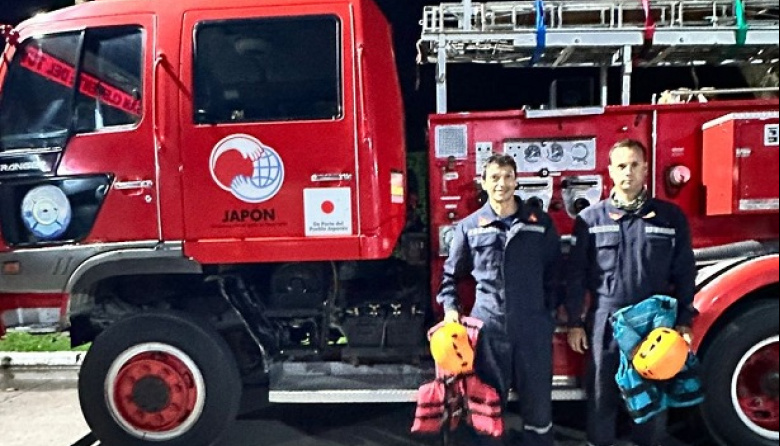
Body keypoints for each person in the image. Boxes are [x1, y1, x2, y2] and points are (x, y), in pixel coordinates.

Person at [565, 139, 697, 446]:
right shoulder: (589, 220)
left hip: (654, 323)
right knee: (601, 393)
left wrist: (684, 319)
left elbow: (684, 271)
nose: (628, 172)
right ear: (610, 171)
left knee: (651, 395)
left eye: (635, 165)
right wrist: (574, 321)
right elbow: (575, 276)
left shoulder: (670, 218)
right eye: (622, 166)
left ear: (646, 169)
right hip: (605, 321)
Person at [437, 154, 561, 446]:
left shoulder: (540, 223)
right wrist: (451, 310)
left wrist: (548, 316)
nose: (501, 183)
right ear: (483, 182)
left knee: (539, 410)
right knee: (487, 409)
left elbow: (555, 274)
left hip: (532, 329)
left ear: (517, 181)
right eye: (494, 177)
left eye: (507, 176)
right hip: (488, 331)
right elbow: (450, 277)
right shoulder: (469, 226)